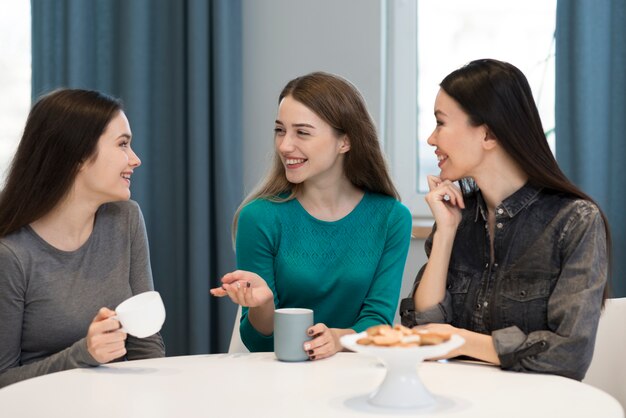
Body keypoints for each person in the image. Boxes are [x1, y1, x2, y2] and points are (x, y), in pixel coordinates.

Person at [399, 59, 610, 381]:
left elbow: (569, 355)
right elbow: (424, 331)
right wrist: (445, 232)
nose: (431, 139)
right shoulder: (458, 216)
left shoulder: (574, 221)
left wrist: (463, 342)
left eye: (440, 123)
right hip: (459, 398)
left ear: (488, 134)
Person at [210, 72, 412, 360]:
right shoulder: (258, 217)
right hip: (280, 380)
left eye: (302, 132)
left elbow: (377, 320)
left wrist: (338, 339)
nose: (284, 145)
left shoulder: (391, 218)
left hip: (355, 374)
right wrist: (262, 306)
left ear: (345, 142)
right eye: (280, 130)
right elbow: (259, 344)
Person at [0, 89, 165, 388]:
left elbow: (146, 344)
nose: (135, 159)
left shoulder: (125, 219)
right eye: (123, 145)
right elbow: (3, 380)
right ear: (78, 155)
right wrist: (83, 354)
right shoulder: (11, 254)